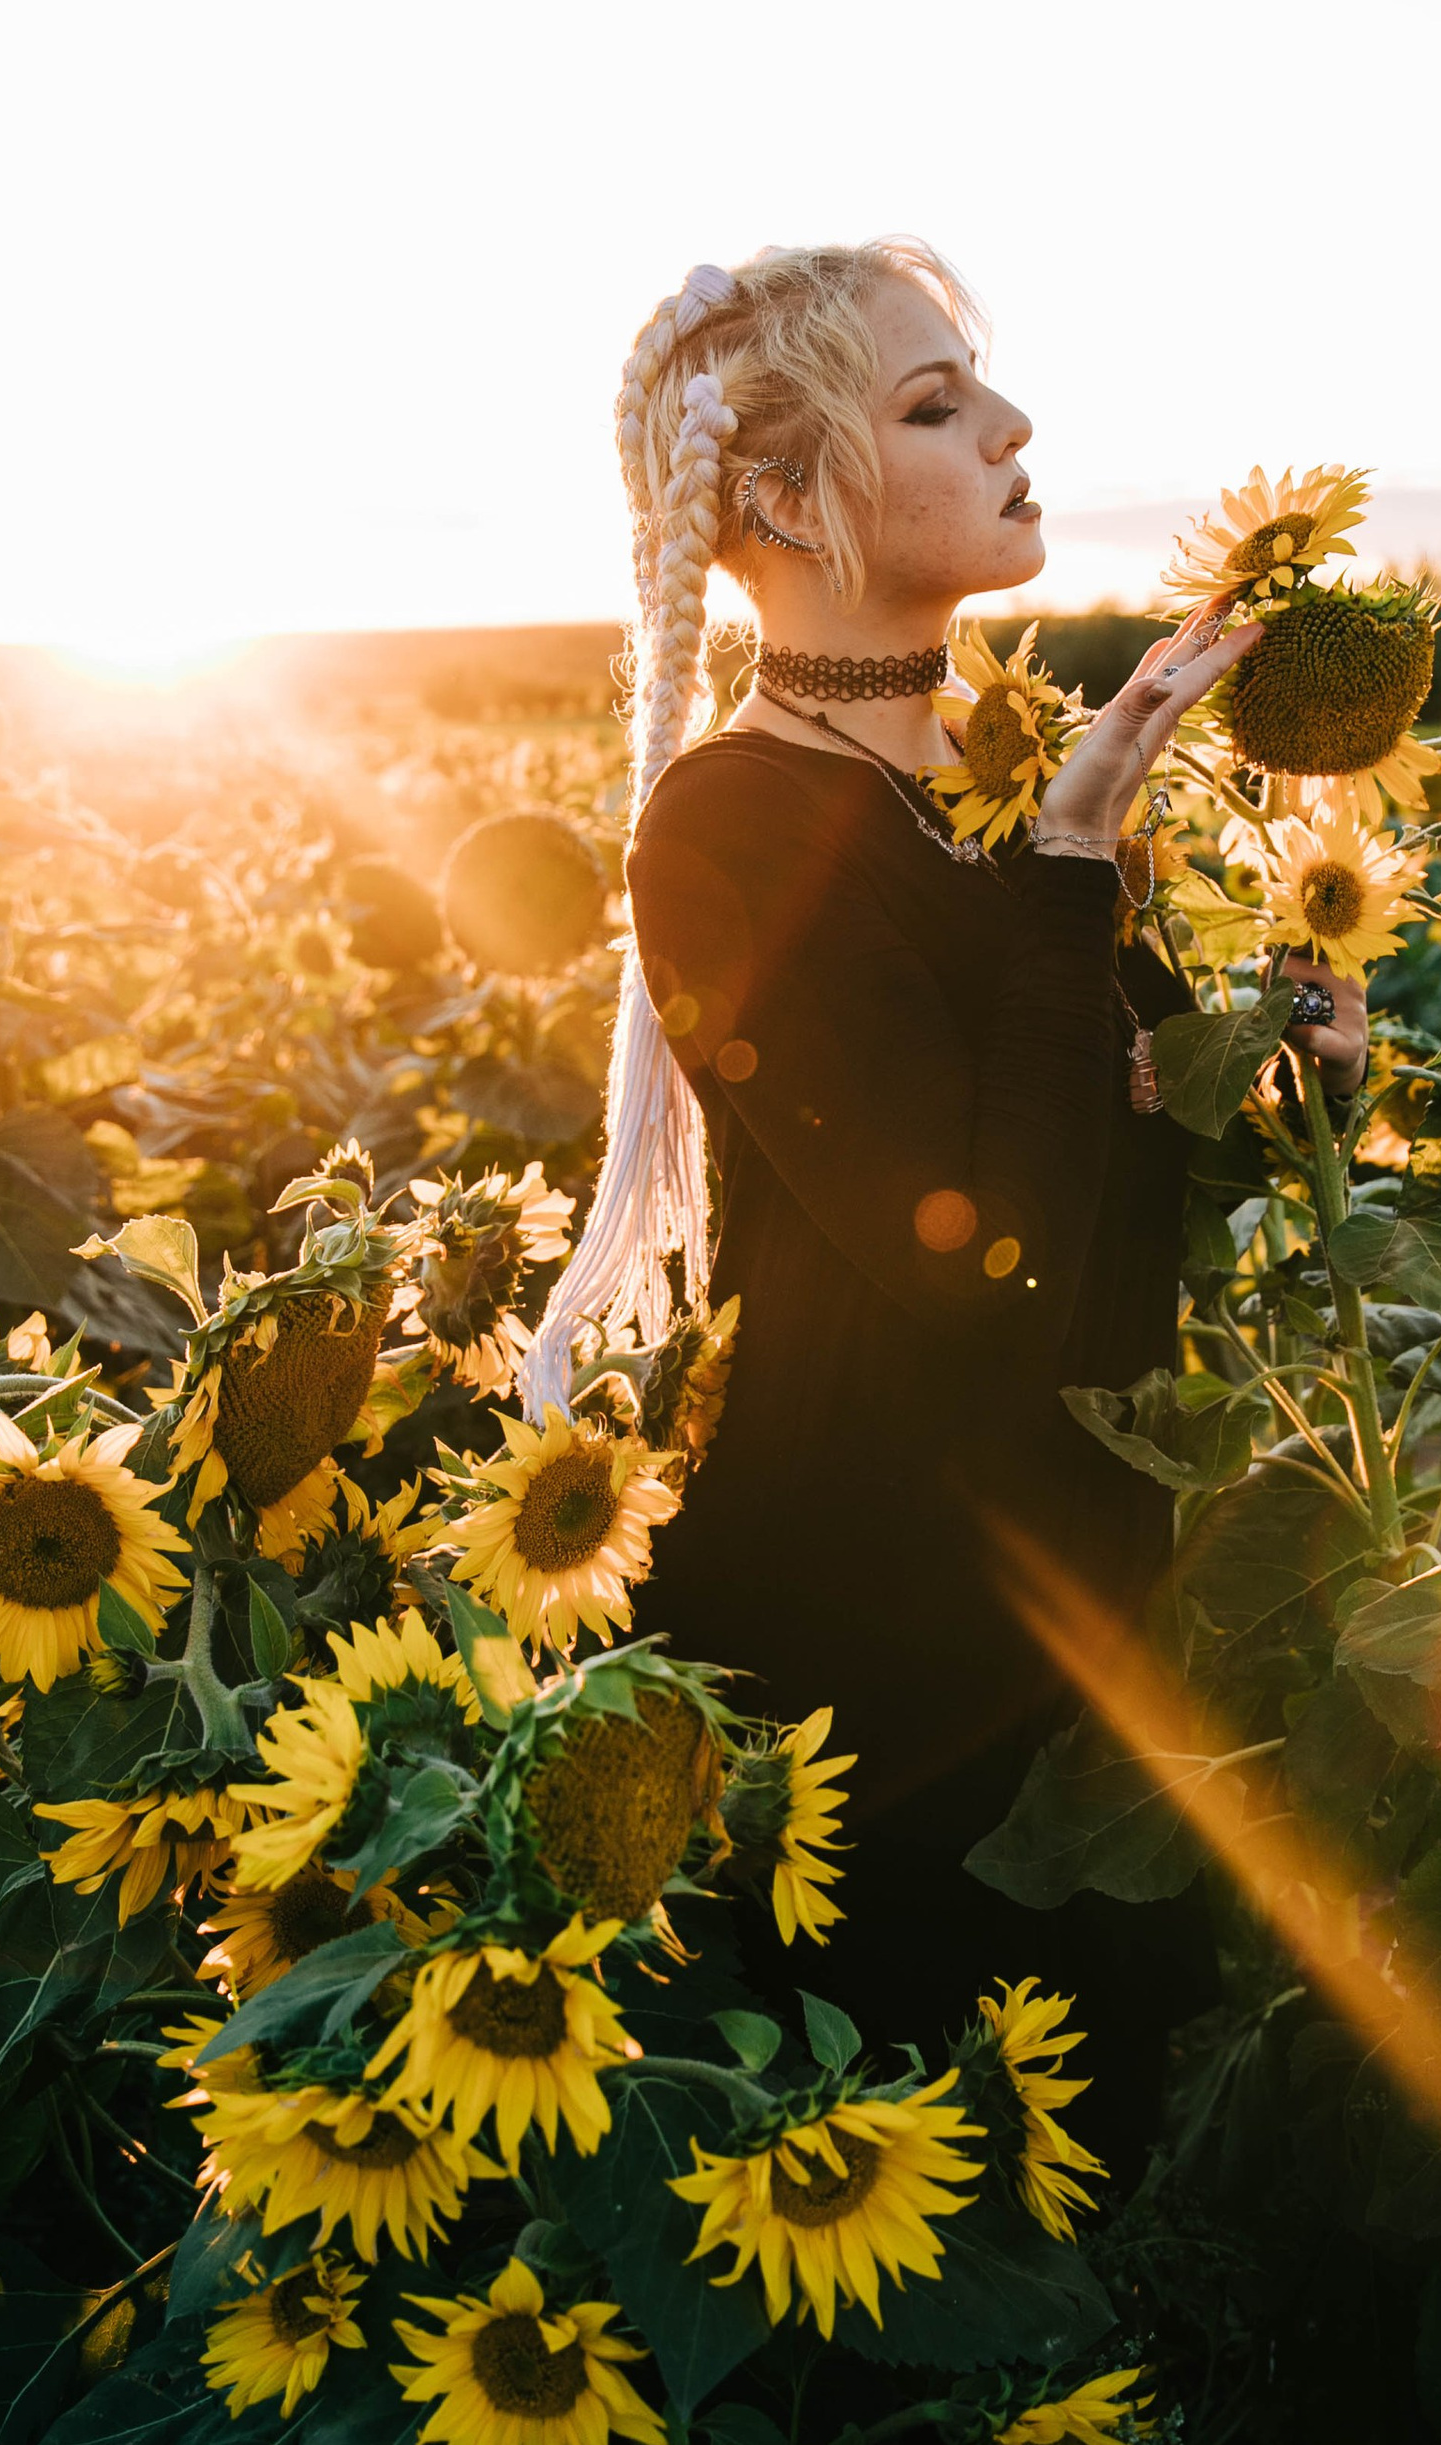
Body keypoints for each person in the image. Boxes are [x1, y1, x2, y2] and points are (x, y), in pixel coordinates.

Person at [521, 243, 1367, 2171]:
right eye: (929, 406)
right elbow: (988, 1257)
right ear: (782, 501)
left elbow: (1123, 1156)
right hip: (879, 1692)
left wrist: (1293, 1066)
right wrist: (1081, 863)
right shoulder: (735, 831)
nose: (1012, 428)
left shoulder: (974, 800)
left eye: (977, 388)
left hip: (1076, 1644)